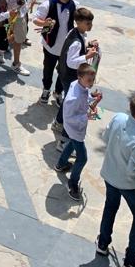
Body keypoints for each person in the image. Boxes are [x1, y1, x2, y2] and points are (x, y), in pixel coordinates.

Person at [96, 96, 135, 267]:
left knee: (110, 207)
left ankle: (102, 243)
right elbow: (133, 171)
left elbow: (105, 137)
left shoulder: (118, 117)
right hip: (127, 184)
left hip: (109, 174)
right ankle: (131, 259)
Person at [55, 62, 103, 201]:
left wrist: (92, 98)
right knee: (82, 158)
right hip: (75, 128)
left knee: (71, 144)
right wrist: (87, 115)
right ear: (80, 77)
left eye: (93, 80)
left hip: (75, 129)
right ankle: (72, 184)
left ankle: (61, 164)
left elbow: (85, 96)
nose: (92, 83)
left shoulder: (78, 84)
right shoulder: (73, 98)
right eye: (89, 80)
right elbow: (69, 117)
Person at [52, 7, 99, 141]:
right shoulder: (76, 42)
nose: (90, 26)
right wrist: (87, 56)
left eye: (91, 23)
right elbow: (71, 62)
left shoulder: (75, 32)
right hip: (69, 75)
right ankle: (62, 128)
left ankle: (58, 121)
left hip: (64, 72)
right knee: (70, 103)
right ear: (78, 22)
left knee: (67, 99)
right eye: (87, 23)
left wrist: (89, 45)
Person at [32, 0, 75, 104]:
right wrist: (44, 23)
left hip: (65, 47)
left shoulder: (72, 5)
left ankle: (58, 92)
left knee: (63, 71)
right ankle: (46, 89)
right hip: (50, 44)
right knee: (48, 69)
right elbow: (35, 19)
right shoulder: (47, 5)